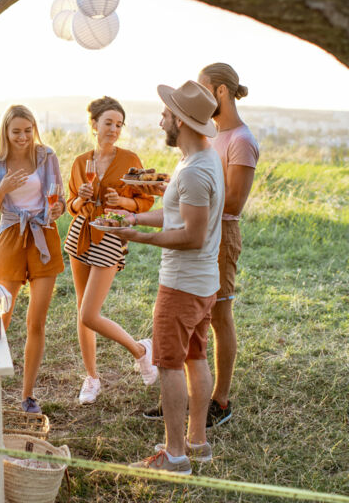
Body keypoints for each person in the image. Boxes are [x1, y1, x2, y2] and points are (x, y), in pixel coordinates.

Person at [141, 63, 260, 430]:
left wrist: (187, 198)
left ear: (221, 91)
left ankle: (219, 401)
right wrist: (174, 191)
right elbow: (202, 188)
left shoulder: (241, 140)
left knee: (218, 319)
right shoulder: (213, 140)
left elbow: (233, 202)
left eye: (206, 90)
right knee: (193, 333)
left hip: (218, 236)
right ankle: (184, 400)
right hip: (202, 230)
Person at [116, 80, 224, 473]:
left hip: (182, 284)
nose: (160, 120)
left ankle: (174, 455)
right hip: (203, 283)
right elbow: (177, 213)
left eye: (166, 113)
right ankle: (197, 442)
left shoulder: (195, 171)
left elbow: (192, 236)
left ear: (181, 121)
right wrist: (135, 219)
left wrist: (139, 238)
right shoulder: (201, 160)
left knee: (169, 364)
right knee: (196, 356)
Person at [64, 96, 158, 405]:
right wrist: (81, 198)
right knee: (82, 311)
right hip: (81, 234)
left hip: (110, 235)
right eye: (108, 123)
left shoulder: (130, 159)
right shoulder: (81, 162)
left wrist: (123, 202)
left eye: (119, 124)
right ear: (94, 124)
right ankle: (91, 378)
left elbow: (145, 202)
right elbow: (71, 205)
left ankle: (140, 351)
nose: (114, 129)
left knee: (89, 313)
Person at [0, 105, 66, 414]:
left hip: (44, 234)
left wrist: (58, 209)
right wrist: (2, 189)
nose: (23, 137)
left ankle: (27, 395)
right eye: (16, 131)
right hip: (10, 237)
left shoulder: (46, 156)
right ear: (5, 131)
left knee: (36, 322)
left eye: (28, 131)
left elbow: (60, 200)